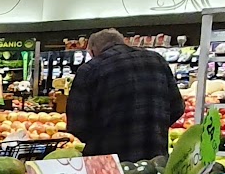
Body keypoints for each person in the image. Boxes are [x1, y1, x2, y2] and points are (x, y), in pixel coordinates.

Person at [66, 29, 184, 162]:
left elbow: (77, 125)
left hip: (108, 160)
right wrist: (154, 128)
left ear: (92, 51)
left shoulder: (90, 70)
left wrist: (100, 139)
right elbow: (177, 108)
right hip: (154, 156)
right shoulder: (158, 61)